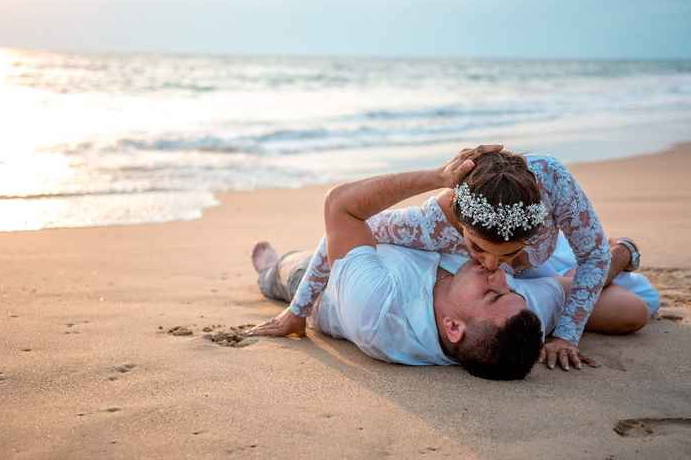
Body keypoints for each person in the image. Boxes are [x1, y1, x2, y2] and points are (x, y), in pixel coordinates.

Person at [261, 146, 659, 371]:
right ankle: (272, 266)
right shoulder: (431, 224)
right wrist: (298, 310)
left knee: (585, 271)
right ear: (459, 222)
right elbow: (336, 230)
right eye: (478, 249)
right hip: (357, 280)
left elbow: (590, 261)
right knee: (286, 271)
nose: (492, 267)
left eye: (507, 255)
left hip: (526, 262)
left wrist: (566, 334)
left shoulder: (554, 188)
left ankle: (614, 252)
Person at [249, 146, 547, 380]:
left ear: (453, 327)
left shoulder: (378, 311)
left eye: (492, 294)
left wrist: (440, 177)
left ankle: (269, 269)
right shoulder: (509, 318)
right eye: (513, 292)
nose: (500, 276)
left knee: (290, 267)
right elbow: (568, 285)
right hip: (397, 247)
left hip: (331, 282)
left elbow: (339, 205)